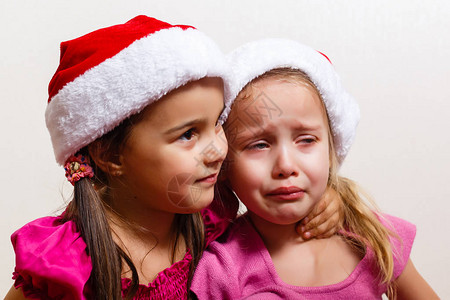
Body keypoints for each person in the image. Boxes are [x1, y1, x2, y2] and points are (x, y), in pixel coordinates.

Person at [6, 18, 341, 300]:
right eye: (187, 135)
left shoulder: (212, 215)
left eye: (216, 125)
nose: (218, 151)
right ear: (109, 154)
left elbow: (284, 193)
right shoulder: (66, 265)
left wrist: (329, 200)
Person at [191, 39, 439, 299]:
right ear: (224, 162)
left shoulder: (371, 236)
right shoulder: (221, 269)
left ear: (331, 151)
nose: (286, 166)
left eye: (306, 140)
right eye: (259, 145)